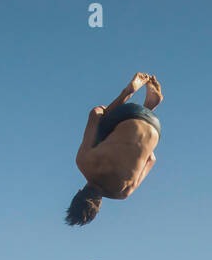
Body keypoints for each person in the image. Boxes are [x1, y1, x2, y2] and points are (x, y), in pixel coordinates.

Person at [66, 72, 163, 226]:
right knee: (98, 117)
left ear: (99, 205)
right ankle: (128, 92)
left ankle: (149, 108)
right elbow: (95, 114)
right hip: (127, 113)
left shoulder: (123, 193)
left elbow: (151, 159)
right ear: (78, 193)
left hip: (155, 129)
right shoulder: (83, 162)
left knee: (134, 151)